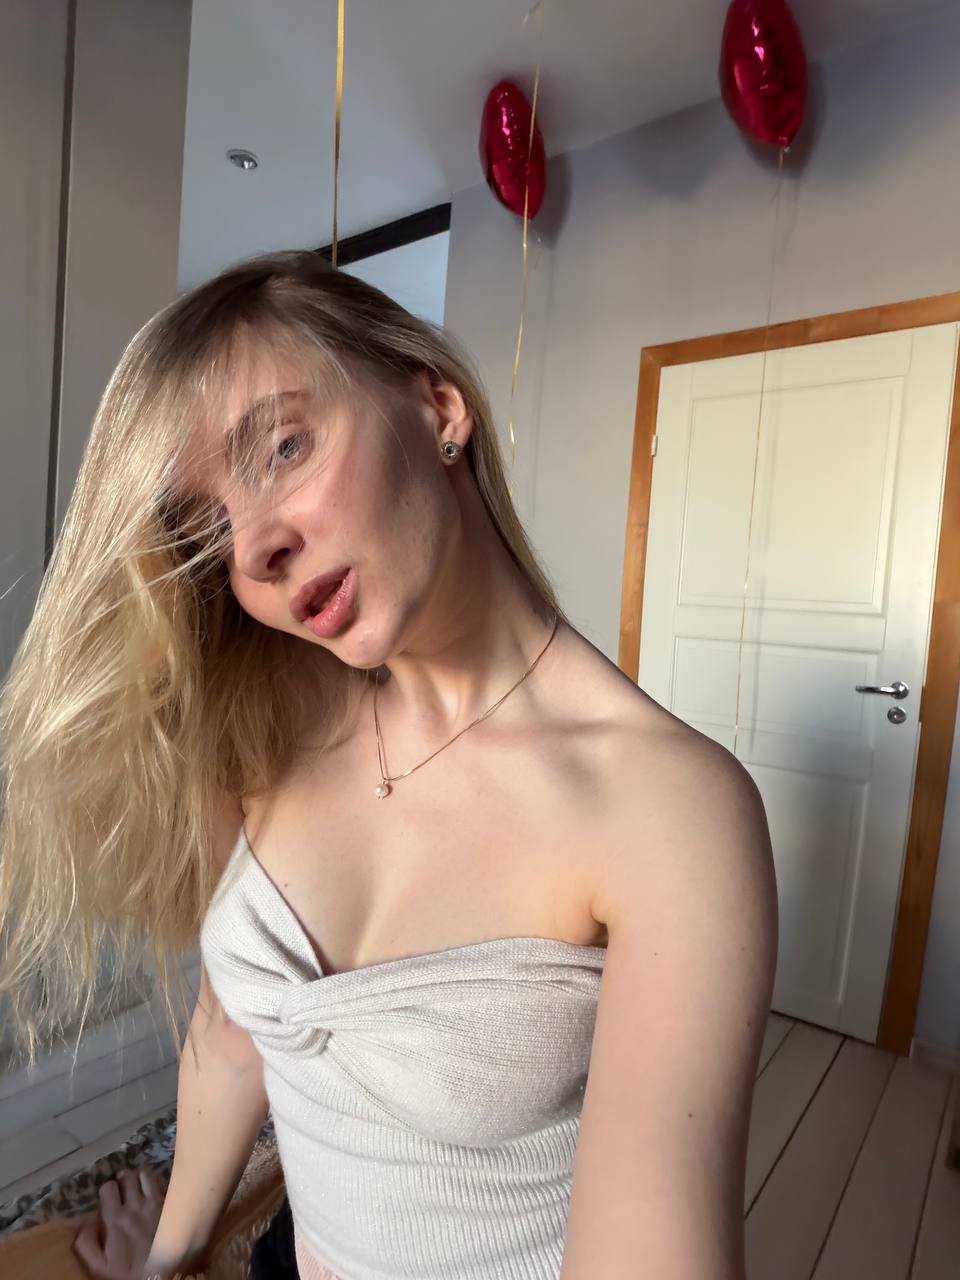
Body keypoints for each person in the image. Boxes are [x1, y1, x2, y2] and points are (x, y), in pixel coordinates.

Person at [0, 251, 777, 1280]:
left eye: (284, 446)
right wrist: (168, 1262)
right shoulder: (268, 712)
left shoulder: (668, 811)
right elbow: (234, 1035)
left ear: (439, 407)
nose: (256, 548)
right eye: (207, 528)